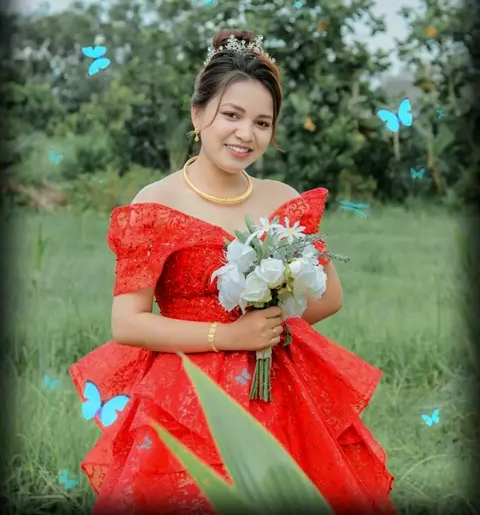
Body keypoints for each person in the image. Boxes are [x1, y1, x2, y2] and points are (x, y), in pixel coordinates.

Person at [70, 29, 395, 514]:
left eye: (262, 122)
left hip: (277, 382)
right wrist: (227, 337)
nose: (246, 134)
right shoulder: (156, 202)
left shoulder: (281, 198)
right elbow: (128, 322)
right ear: (197, 114)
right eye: (232, 115)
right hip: (186, 389)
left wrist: (268, 317)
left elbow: (328, 297)